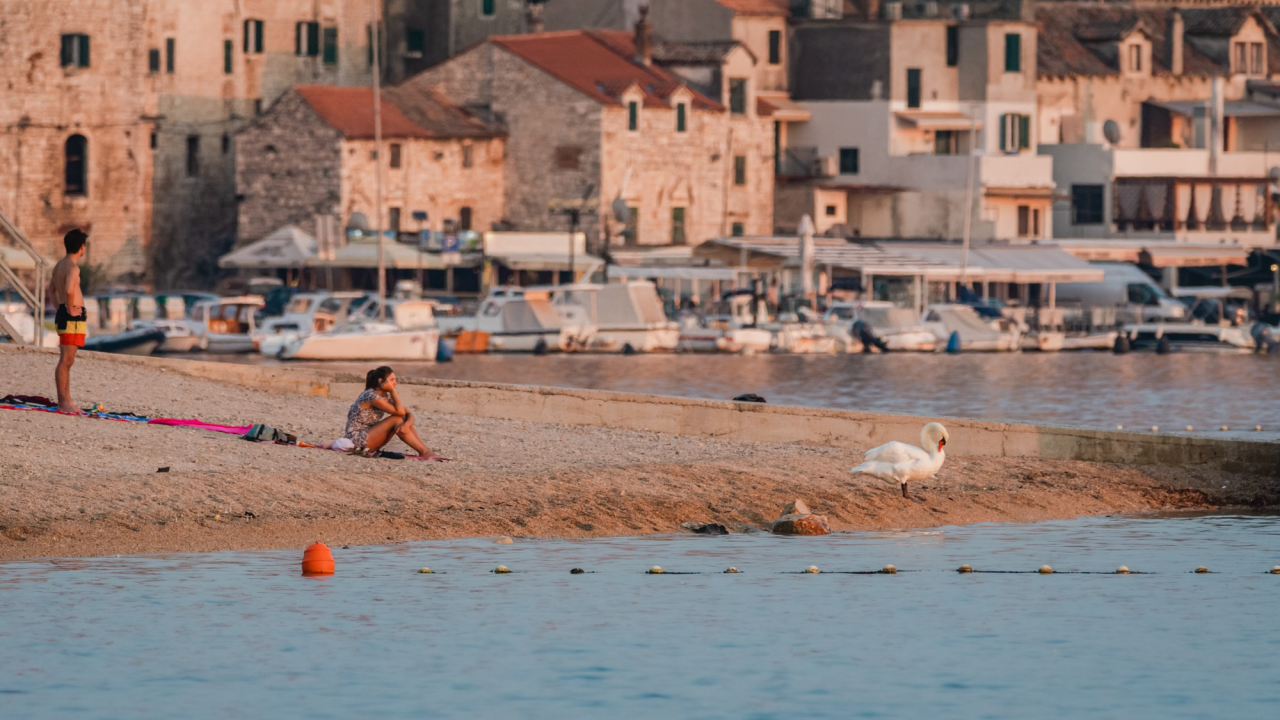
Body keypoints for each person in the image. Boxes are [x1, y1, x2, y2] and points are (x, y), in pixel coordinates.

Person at [343, 366, 444, 459]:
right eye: (392, 380)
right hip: (355, 440)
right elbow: (399, 412)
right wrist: (392, 391)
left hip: (369, 436)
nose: (395, 383)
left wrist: (407, 425)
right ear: (381, 381)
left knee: (402, 419)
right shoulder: (371, 396)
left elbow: (408, 413)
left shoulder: (385, 395)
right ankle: (424, 452)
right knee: (396, 419)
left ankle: (425, 451)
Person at [47, 229, 88, 413]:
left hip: (66, 314)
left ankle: (67, 400)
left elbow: (51, 289)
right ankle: (63, 403)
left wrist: (60, 308)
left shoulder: (59, 265)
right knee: (66, 360)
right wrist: (70, 309)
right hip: (72, 317)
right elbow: (70, 290)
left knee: (68, 360)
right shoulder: (73, 267)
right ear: (82, 247)